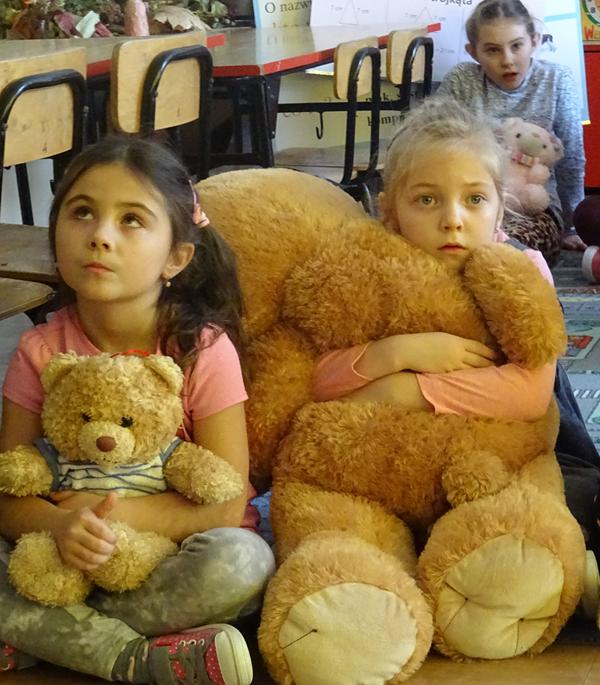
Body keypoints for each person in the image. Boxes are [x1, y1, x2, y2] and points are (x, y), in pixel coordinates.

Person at [0, 136, 275, 683]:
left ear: (176, 257)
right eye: (82, 212)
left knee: (244, 562)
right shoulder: (40, 352)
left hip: (170, 561)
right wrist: (61, 524)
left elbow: (226, 505)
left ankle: (47, 636)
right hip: (60, 559)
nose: (100, 235)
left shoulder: (202, 351)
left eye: (131, 220)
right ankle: (136, 657)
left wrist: (113, 515)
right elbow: (9, 496)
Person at [311, 96, 600, 611]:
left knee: (568, 505)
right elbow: (318, 384)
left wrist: (404, 389)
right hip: (398, 463)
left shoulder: (520, 267)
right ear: (389, 210)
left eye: (474, 200)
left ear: (500, 207)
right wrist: (397, 351)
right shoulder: (370, 271)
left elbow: (528, 394)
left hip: (521, 454)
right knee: (348, 522)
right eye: (427, 200)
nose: (452, 220)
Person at [436, 0, 586, 266]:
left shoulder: (556, 80)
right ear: (473, 52)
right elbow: (434, 142)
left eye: (516, 46)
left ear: (534, 41)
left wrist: (573, 225)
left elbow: (571, 160)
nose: (507, 60)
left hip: (534, 208)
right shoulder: (462, 81)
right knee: (445, 244)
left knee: (506, 251)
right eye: (492, 50)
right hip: (470, 203)